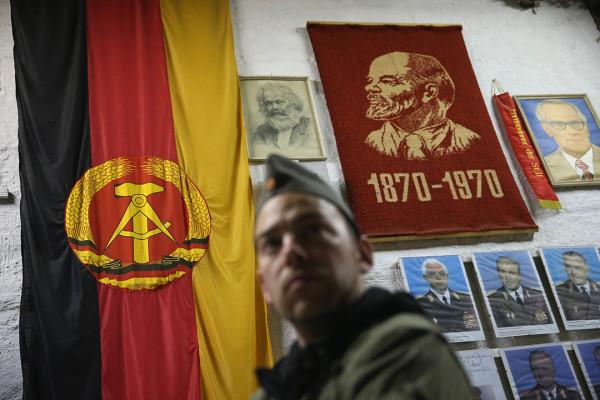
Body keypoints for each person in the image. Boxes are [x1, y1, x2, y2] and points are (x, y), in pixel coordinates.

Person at [251, 154, 476, 400]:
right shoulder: (276, 390)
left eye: (312, 229)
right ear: (265, 288)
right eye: (272, 243)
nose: (290, 251)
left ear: (362, 254)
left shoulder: (401, 352)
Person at [364, 51, 480, 160]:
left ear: (429, 92)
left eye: (387, 81)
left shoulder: (471, 141)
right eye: (370, 81)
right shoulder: (371, 142)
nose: (368, 88)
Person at [535, 99, 600, 182]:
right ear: (546, 129)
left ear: (586, 128)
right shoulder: (543, 167)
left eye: (575, 123)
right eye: (559, 124)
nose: (572, 132)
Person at [415, 258, 479, 332]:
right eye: (432, 274)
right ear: (426, 278)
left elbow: (474, 328)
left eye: (442, 274)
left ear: (447, 277)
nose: (438, 278)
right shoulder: (420, 304)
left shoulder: (466, 299)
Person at [487, 256, 552, 328]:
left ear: (519, 276)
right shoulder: (493, 300)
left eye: (512, 273)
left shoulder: (537, 295)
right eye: (503, 272)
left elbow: (549, 324)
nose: (508, 278)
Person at [253, 83, 311, 150]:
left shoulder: (310, 126)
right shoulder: (261, 131)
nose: (274, 107)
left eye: (279, 102)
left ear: (292, 103)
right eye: (268, 103)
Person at [554, 251, 600, 321]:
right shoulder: (558, 291)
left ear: (587, 269)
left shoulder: (598, 288)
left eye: (577, 268)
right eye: (568, 267)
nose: (573, 272)